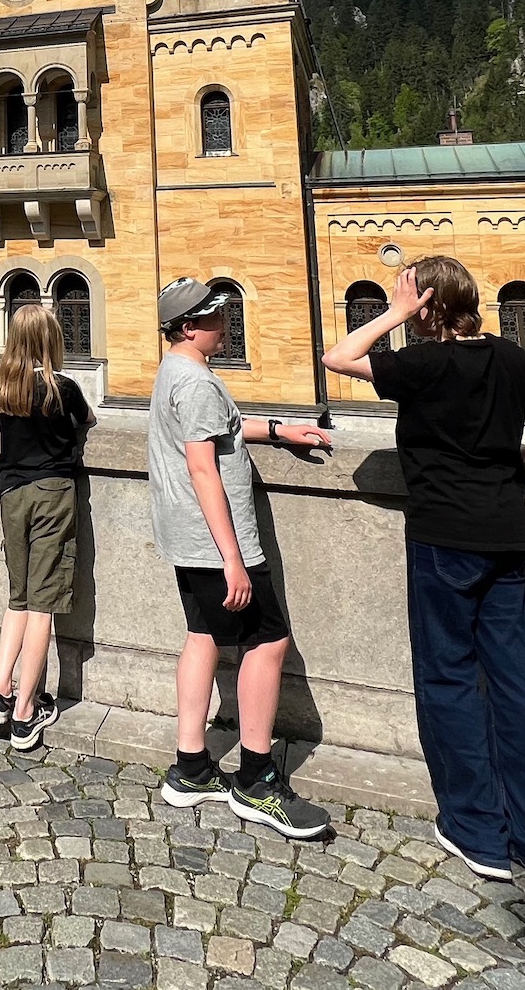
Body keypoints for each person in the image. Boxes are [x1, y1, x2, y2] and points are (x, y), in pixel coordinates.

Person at [322, 257, 525, 890]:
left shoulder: (424, 364)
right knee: (517, 687)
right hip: (505, 538)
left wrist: (395, 313)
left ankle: (477, 833)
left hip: (443, 538)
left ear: (427, 305)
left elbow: (339, 358)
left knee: (447, 681)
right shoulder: (509, 358)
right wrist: (522, 452)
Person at [148, 277, 334, 839]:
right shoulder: (197, 382)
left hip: (184, 535)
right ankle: (256, 781)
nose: (225, 325)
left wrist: (278, 430)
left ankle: (191, 768)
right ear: (188, 327)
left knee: (204, 633)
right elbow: (204, 468)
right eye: (216, 318)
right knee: (267, 641)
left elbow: (223, 431)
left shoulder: (177, 373)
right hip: (214, 541)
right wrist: (233, 558)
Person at [0, 303, 94, 752]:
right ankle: (26, 713)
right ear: (52, 341)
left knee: (18, 597)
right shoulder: (61, 388)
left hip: (11, 493)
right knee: (43, 603)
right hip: (52, 493)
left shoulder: (2, 386)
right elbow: (88, 421)